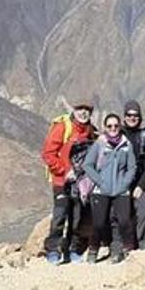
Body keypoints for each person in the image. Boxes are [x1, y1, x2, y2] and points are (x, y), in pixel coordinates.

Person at [40, 100, 95, 265]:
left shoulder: (89, 130)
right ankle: (52, 250)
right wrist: (64, 171)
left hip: (80, 183)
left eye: (87, 110)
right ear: (74, 110)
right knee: (60, 215)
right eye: (80, 109)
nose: (83, 112)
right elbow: (48, 154)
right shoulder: (62, 127)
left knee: (77, 216)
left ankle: (72, 250)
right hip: (61, 181)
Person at [82, 113, 138, 264]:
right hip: (101, 190)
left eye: (116, 126)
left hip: (121, 190)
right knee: (99, 223)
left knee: (125, 221)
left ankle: (128, 251)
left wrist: (125, 183)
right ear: (105, 128)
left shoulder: (126, 145)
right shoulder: (99, 144)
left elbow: (132, 167)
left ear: (120, 127)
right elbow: (87, 165)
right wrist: (100, 181)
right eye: (109, 126)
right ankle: (93, 250)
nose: (113, 128)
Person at [121, 100, 145, 249]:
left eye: (135, 115)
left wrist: (141, 186)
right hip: (119, 184)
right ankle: (122, 244)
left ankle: (141, 245)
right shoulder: (117, 134)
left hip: (137, 184)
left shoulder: (144, 137)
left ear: (140, 118)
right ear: (124, 117)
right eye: (129, 115)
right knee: (119, 211)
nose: (132, 118)